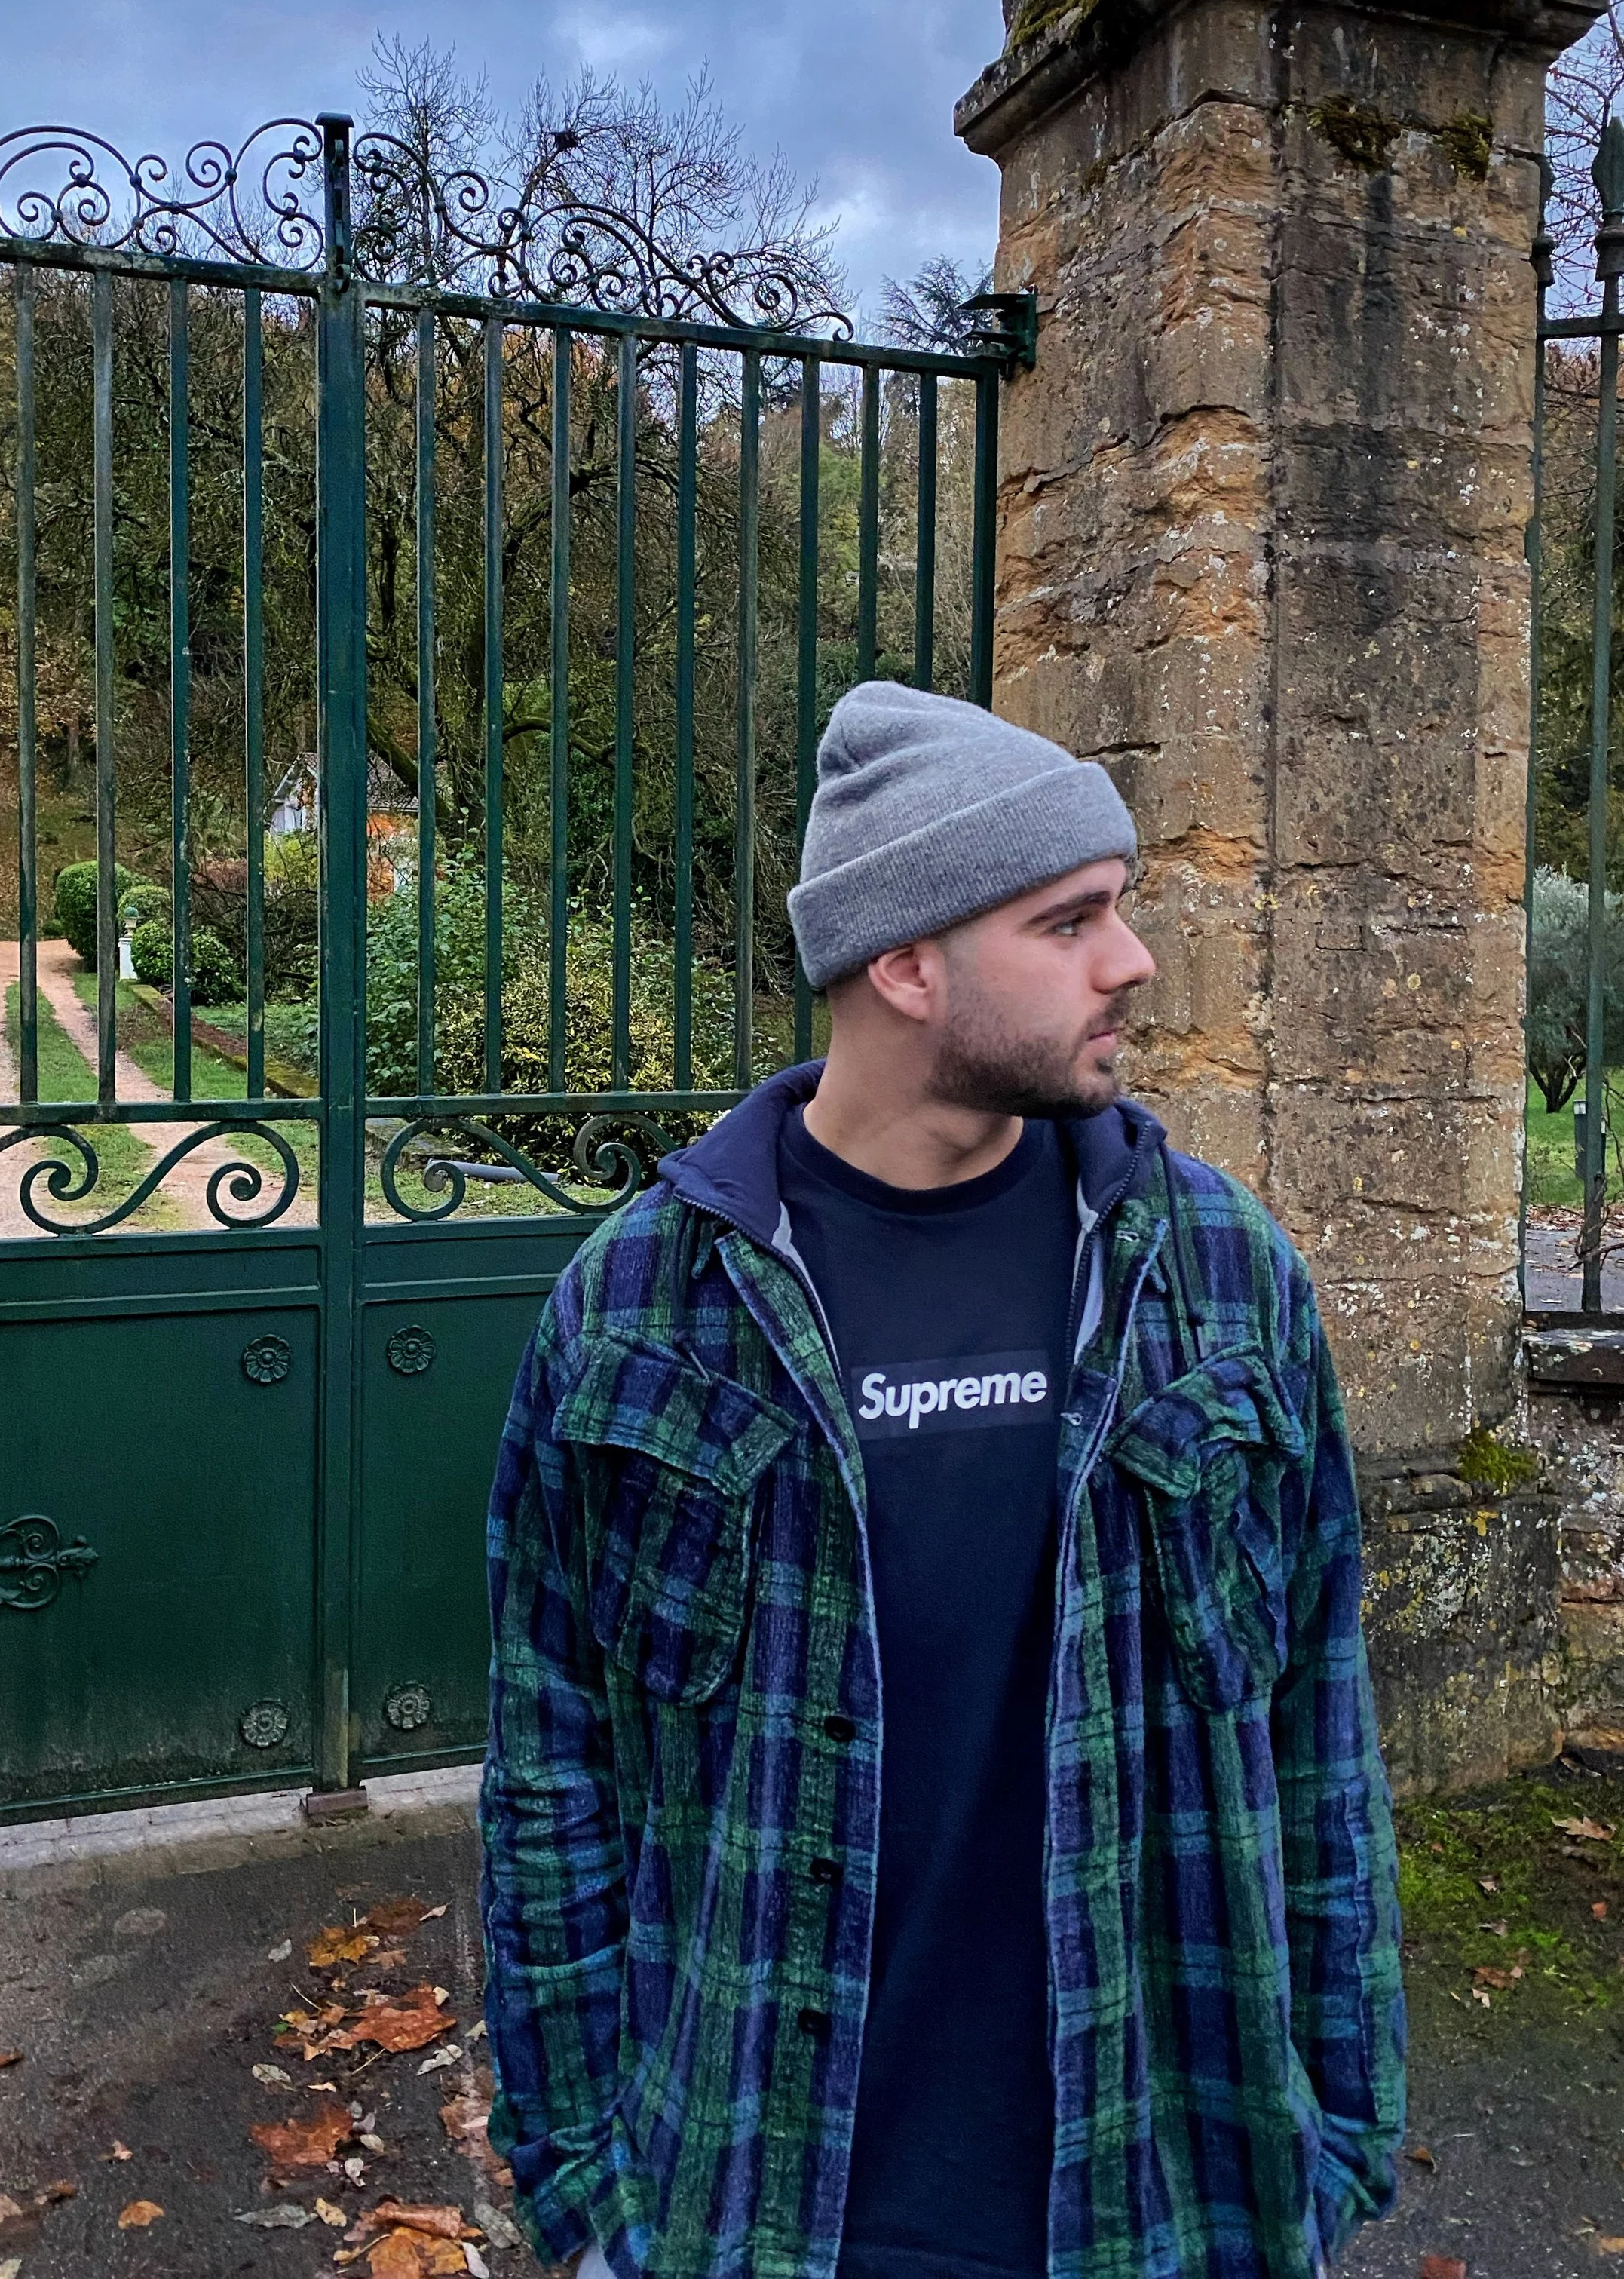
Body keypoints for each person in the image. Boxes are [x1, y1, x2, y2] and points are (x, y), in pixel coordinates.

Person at [480, 681, 1405, 2279]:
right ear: (905, 961)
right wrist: (580, 2180)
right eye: (1068, 920)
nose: (1130, 960)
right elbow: (550, 1771)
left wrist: (1331, 2127)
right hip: (765, 2195)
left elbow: (1318, 1716)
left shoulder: (1216, 1275)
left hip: (1160, 2188)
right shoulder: (644, 1307)